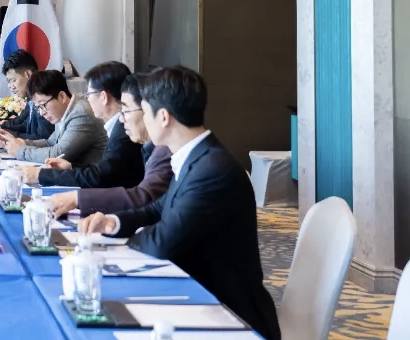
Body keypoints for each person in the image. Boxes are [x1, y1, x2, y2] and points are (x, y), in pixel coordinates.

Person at [77, 67, 281, 340]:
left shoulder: (212, 169)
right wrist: (112, 222)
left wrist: (120, 246)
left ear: (163, 117)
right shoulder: (196, 155)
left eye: (144, 112)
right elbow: (158, 208)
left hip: (228, 312)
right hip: (200, 291)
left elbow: (162, 243)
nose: (140, 120)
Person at [42, 72, 173, 217]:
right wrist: (114, 223)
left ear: (162, 115)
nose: (122, 119)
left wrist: (78, 198)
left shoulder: (163, 152)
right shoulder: (150, 147)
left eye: (126, 111)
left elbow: (141, 196)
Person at [23, 61, 144, 190]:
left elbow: (102, 177)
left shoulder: (124, 130)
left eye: (88, 94)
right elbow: (106, 171)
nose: (87, 99)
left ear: (103, 97)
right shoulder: (117, 126)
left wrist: (43, 175)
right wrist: (71, 167)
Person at [0, 70, 106, 165]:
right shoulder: (64, 110)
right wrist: (21, 142)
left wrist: (20, 151)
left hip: (93, 179)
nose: (41, 113)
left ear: (62, 96)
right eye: (38, 108)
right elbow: (50, 143)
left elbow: (57, 155)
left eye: (43, 105)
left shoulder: (81, 114)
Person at [0, 50, 53, 141]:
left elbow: (42, 138)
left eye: (13, 80)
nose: (11, 86)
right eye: (9, 81)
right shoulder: (32, 96)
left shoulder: (43, 96)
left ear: (28, 74)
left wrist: (2, 134)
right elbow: (20, 121)